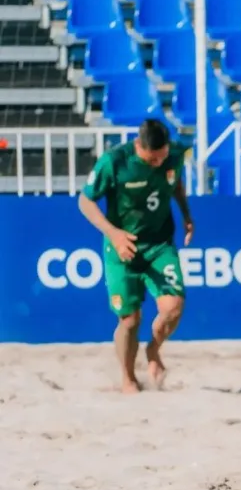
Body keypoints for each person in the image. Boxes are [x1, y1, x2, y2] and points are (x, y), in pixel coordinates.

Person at [77, 119, 193, 394]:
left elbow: (175, 185)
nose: (159, 162)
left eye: (163, 156)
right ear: (139, 146)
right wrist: (113, 233)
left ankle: (153, 349)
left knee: (173, 307)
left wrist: (187, 215)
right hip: (122, 247)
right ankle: (128, 377)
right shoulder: (115, 161)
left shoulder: (174, 155)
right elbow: (85, 200)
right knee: (130, 320)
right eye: (154, 158)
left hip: (159, 243)